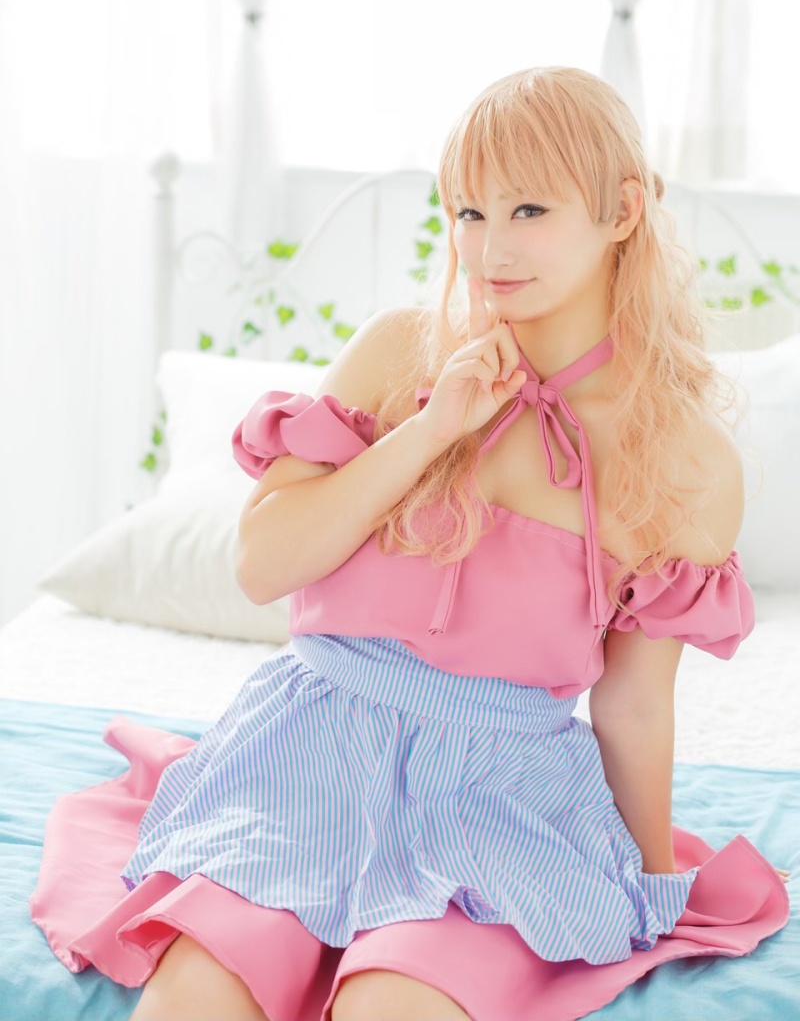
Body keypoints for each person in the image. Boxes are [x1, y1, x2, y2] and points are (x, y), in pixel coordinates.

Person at [30, 66, 789, 1021]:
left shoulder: (681, 457)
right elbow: (264, 566)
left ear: (624, 212)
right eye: (469, 212)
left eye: (529, 209)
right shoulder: (399, 357)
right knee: (197, 999)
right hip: (303, 756)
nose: (490, 248)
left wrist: (642, 885)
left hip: (498, 794)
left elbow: (633, 704)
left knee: (394, 1006)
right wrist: (431, 432)